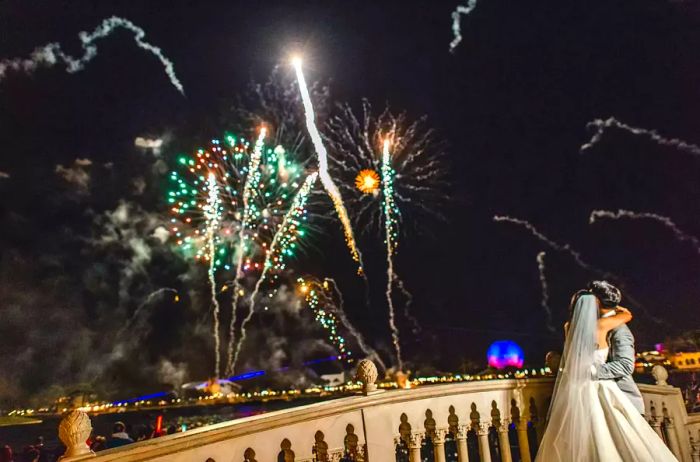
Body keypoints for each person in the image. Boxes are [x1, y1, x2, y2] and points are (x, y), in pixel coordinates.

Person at [536, 282, 677, 461]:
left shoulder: (569, 327)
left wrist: (583, 371)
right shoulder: (604, 325)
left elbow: (620, 364)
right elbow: (628, 316)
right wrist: (591, 372)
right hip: (602, 391)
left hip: (580, 391)